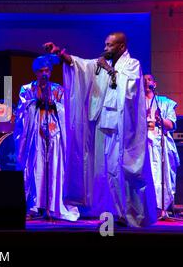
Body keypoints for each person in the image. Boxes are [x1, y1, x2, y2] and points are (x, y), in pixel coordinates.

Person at [44, 32, 157, 227]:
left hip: (122, 131)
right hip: (103, 127)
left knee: (122, 171)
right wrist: (62, 55)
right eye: (105, 45)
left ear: (121, 47)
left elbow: (129, 90)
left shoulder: (132, 65)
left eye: (110, 45)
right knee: (104, 173)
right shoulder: (103, 64)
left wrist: (111, 71)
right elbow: (82, 66)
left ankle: (132, 214)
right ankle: (113, 213)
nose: (105, 49)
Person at [14, 55, 79, 221]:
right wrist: (36, 102)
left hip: (54, 133)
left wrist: (54, 105)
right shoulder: (27, 89)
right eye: (41, 71)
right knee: (36, 169)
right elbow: (22, 110)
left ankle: (53, 206)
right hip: (35, 135)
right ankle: (34, 206)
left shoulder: (58, 89)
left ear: (50, 72)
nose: (44, 73)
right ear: (36, 72)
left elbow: (67, 110)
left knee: (54, 169)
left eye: (47, 70)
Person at [144, 74, 180, 212]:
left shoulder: (163, 102)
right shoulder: (137, 103)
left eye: (149, 79)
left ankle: (161, 208)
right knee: (148, 175)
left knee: (161, 175)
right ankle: (147, 207)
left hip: (161, 143)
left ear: (155, 84)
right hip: (144, 144)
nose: (146, 82)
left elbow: (170, 125)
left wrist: (160, 119)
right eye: (143, 80)